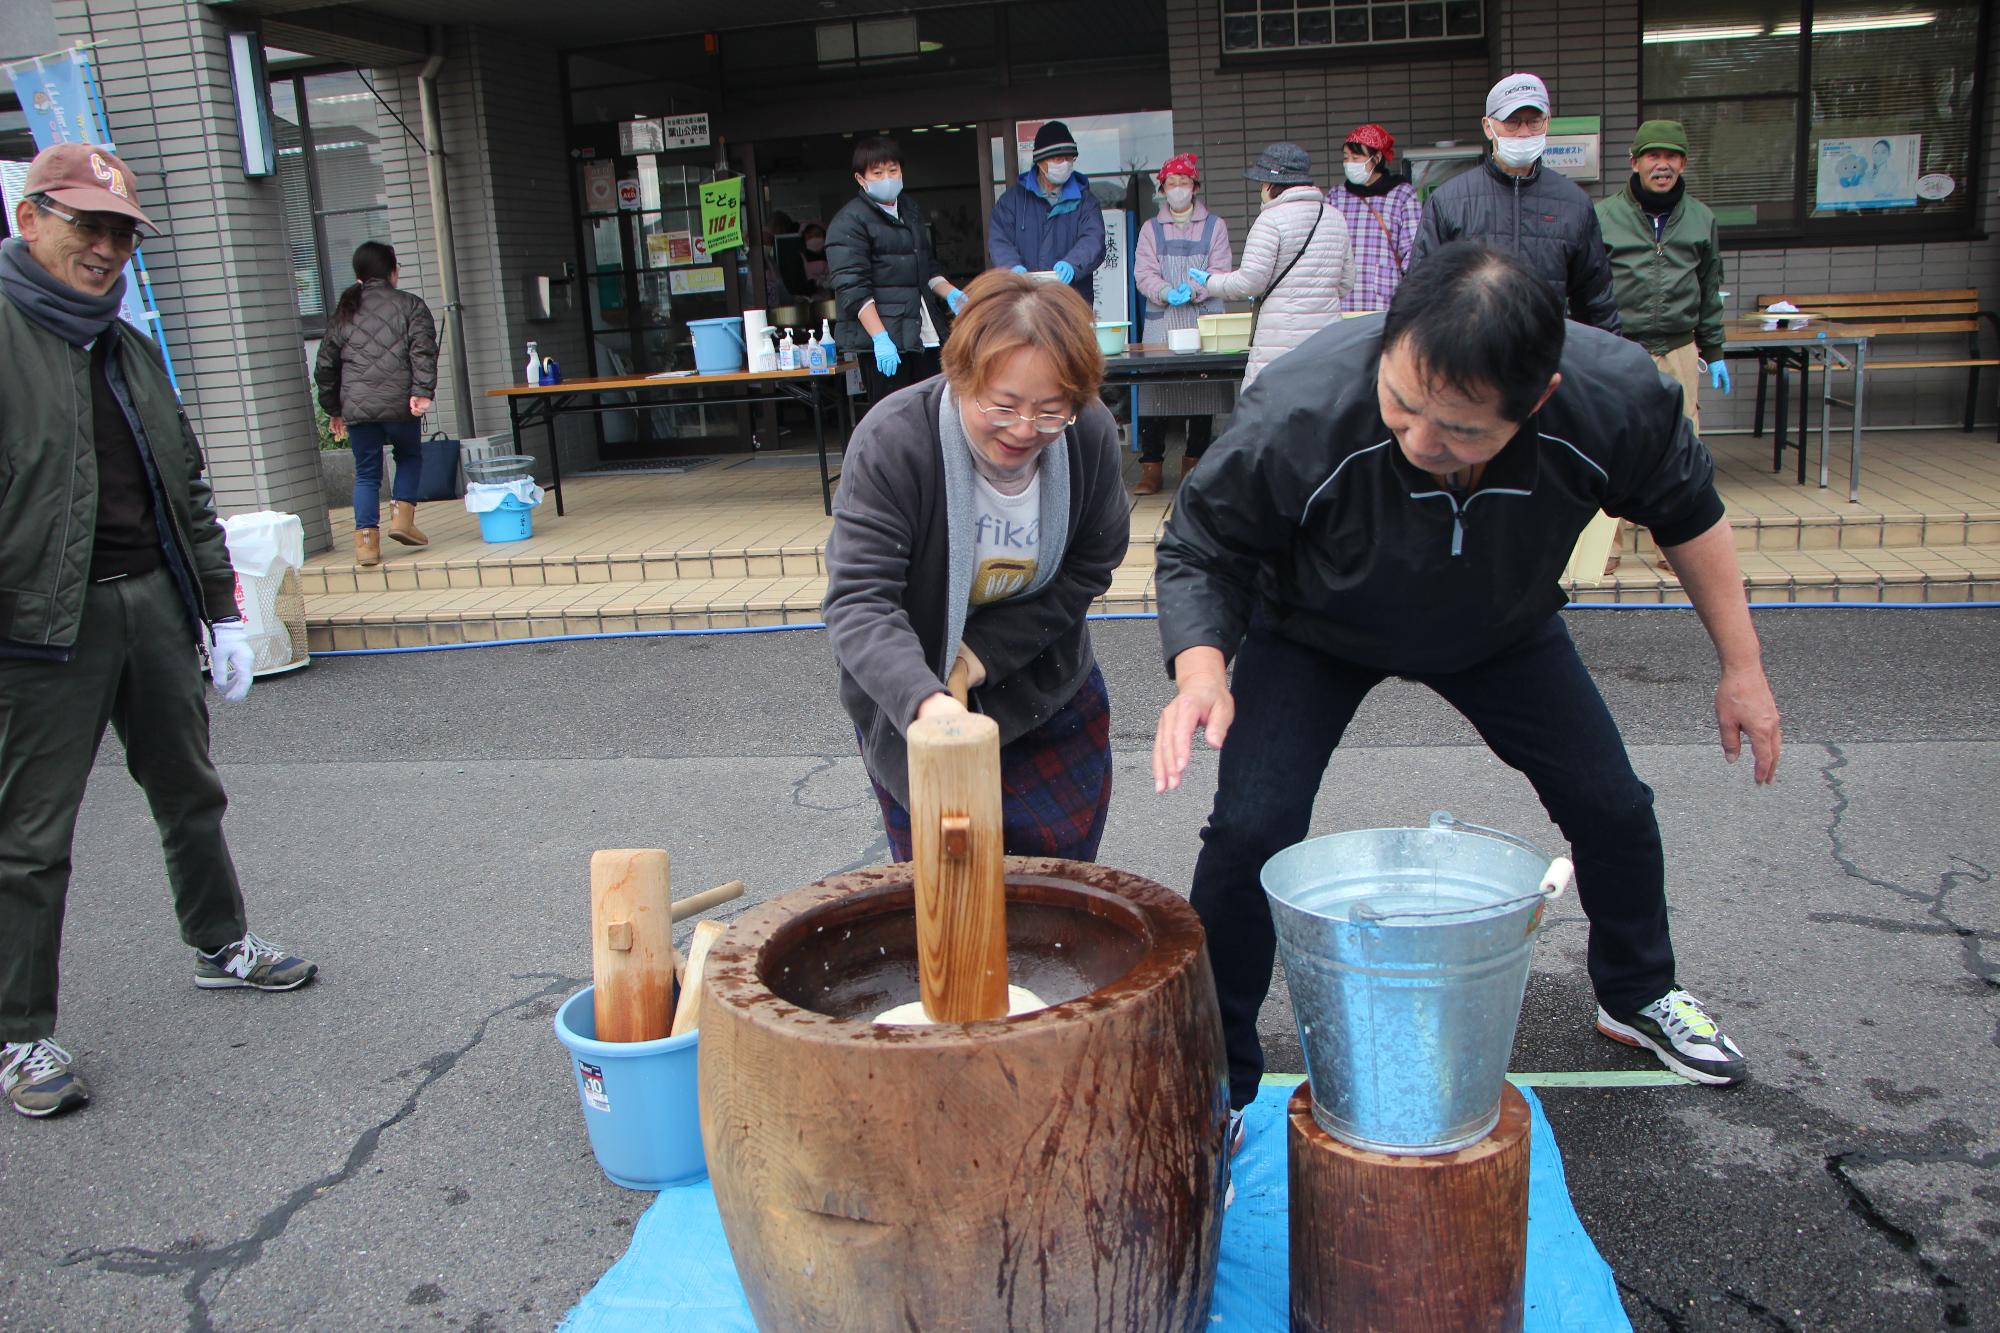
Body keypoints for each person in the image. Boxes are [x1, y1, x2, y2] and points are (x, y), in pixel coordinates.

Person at [1152, 242, 1779, 1136]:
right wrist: (1203, 669)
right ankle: (1217, 1072)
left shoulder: (1616, 398)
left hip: (1500, 623)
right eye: (1402, 405)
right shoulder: (1300, 406)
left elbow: (1691, 515)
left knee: (1611, 803)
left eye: (1459, 430)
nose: (1419, 440)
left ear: (1539, 399)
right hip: (1314, 628)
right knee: (1252, 827)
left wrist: (1743, 667)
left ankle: (1639, 990)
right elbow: (1200, 545)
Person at [0, 144, 317, 1120]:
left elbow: (183, 483)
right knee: (29, 836)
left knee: (188, 790)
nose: (105, 249)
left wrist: (220, 609)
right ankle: (18, 1033)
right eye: (86, 226)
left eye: (121, 234)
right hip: (36, 624)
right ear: (28, 220)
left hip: (151, 603)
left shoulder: (126, 346)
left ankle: (221, 942)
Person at [823, 270, 1129, 861]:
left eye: (1049, 411)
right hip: (919, 697)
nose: (1023, 430)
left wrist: (977, 657)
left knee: (1056, 893)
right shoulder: (895, 442)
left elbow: (1092, 562)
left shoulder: (1087, 433)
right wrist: (929, 700)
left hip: (1044, 678)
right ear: (962, 375)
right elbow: (860, 602)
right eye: (1003, 405)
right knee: (949, 892)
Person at [1411, 73, 1621, 333]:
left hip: (1547, 359)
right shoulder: (1448, 201)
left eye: (1534, 122)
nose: (1524, 133)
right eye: (1512, 122)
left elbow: (1596, 302)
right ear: (1488, 126)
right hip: (1471, 359)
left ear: (1547, 122)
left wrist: (1607, 366)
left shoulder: (1574, 203)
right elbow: (1422, 294)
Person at [1595, 120, 1729, 433]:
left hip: (1679, 349)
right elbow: (1586, 288)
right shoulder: (1602, 217)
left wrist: (1714, 351)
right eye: (1653, 155)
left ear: (1683, 163)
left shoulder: (1701, 219)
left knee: (1681, 438)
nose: (1662, 165)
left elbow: (1709, 288)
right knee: (1619, 435)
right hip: (1621, 348)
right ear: (1635, 162)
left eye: (1671, 156)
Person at [1184, 142, 1354, 389]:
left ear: (1271, 185)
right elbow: (1347, 281)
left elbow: (1250, 282)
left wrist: (1210, 282)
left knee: (1274, 411)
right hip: (1326, 343)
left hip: (1279, 343)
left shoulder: (1270, 220)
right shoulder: (1334, 217)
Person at [314, 241, 438, 568]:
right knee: (409, 456)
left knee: (367, 473)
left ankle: (367, 545)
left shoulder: (345, 311)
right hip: (400, 404)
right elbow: (422, 352)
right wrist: (422, 390)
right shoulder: (411, 305)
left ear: (359, 275)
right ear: (392, 271)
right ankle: (402, 520)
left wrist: (334, 409)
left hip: (357, 408)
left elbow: (325, 366)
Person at [826, 136, 969, 413]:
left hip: (923, 333)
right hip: (887, 341)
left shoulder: (910, 210)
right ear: (861, 178)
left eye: (893, 170)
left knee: (936, 412)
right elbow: (852, 288)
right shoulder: (849, 222)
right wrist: (880, 338)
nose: (887, 178)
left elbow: (926, 266)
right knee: (894, 418)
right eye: (877, 173)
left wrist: (951, 292)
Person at [1130, 152, 1234, 495]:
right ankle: (1151, 468)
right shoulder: (1150, 229)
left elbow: (1220, 268)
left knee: (1200, 390)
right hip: (1163, 320)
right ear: (1162, 189)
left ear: (1195, 187)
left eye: (1184, 183)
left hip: (1201, 317)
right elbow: (1142, 271)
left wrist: (1193, 289)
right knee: (1155, 391)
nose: (1178, 189)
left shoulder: (1215, 225)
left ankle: (1194, 464)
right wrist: (1162, 290)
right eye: (1171, 183)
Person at [987, 121, 1107, 306]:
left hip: (1072, 300)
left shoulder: (1085, 200)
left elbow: (1093, 240)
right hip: (1023, 301)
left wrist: (1072, 264)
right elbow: (999, 241)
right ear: (1040, 161)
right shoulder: (1012, 201)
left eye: (1069, 158)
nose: (1065, 164)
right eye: (1058, 159)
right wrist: (1012, 268)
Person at [1326, 123, 1422, 313]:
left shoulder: (1402, 194)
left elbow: (1413, 252)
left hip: (1385, 300)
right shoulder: (1336, 197)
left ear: (1376, 158)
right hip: (1342, 301)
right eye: (1346, 158)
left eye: (1356, 157)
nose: (1349, 163)